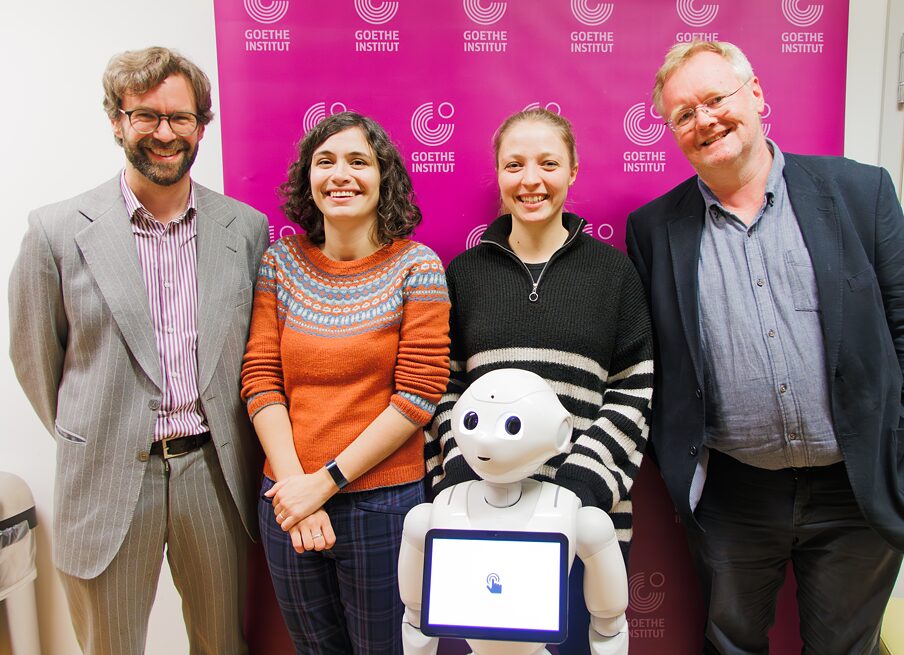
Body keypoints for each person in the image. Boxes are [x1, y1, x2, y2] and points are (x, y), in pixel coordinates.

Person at [625, 40, 904, 655]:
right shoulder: (654, 230)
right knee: (731, 643)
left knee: (846, 648)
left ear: (757, 95)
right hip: (732, 493)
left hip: (857, 483)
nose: (705, 120)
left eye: (716, 99)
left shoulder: (859, 192)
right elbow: (656, 364)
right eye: (683, 114)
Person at [8, 46, 269, 654]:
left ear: (202, 126)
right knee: (110, 644)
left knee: (222, 642)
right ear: (117, 121)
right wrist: (96, 430)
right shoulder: (55, 232)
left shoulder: (244, 229)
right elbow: (35, 360)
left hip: (213, 472)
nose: (163, 133)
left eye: (179, 118)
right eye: (145, 116)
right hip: (105, 474)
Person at [426, 108, 653, 653]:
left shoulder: (613, 273)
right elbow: (443, 388)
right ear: (498, 173)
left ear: (573, 171)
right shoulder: (464, 273)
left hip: (583, 525)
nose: (531, 180)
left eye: (549, 163)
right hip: (483, 519)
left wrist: (574, 493)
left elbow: (634, 387)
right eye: (515, 164)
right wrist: (470, 479)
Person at [240, 111, 451, 654]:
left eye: (359, 161)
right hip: (286, 500)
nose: (341, 174)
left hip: (382, 506)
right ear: (308, 180)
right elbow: (262, 379)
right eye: (325, 161)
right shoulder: (280, 263)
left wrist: (324, 483)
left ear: (384, 178)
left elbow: (419, 394)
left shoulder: (417, 267)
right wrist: (297, 492)